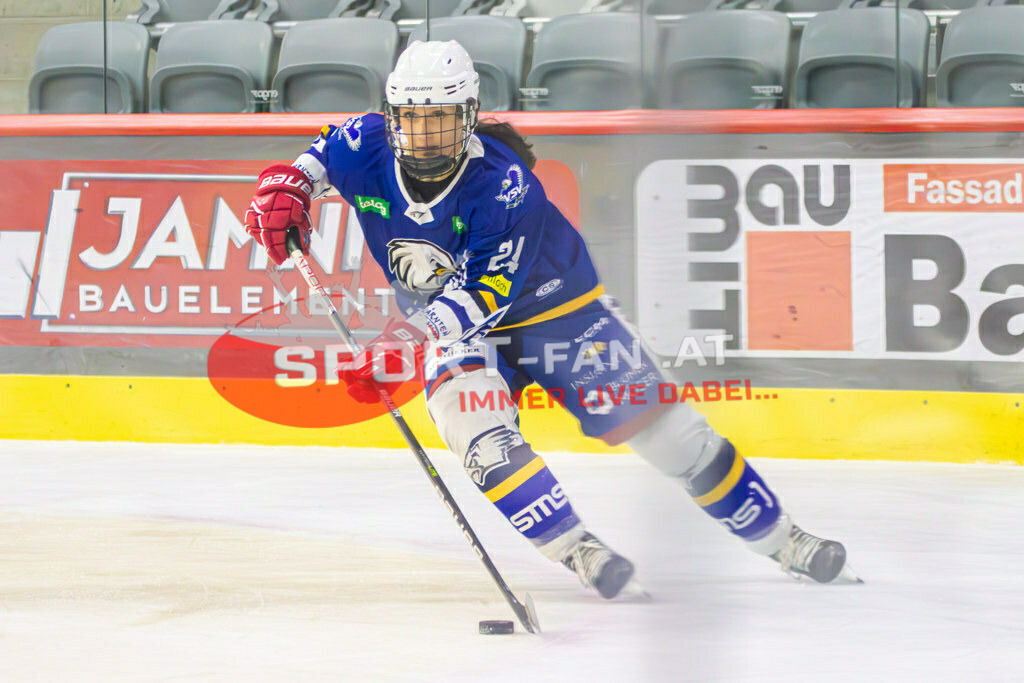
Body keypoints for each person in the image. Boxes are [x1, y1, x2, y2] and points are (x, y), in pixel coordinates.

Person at [244, 40, 855, 599]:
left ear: (469, 116)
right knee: (479, 439)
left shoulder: (505, 186)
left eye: (441, 120)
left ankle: (787, 542)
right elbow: (307, 166)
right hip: (455, 331)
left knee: (673, 438)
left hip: (562, 316)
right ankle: (578, 550)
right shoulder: (362, 141)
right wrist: (282, 191)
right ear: (392, 114)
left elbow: (486, 293)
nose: (425, 135)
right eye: (412, 119)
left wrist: (405, 341)